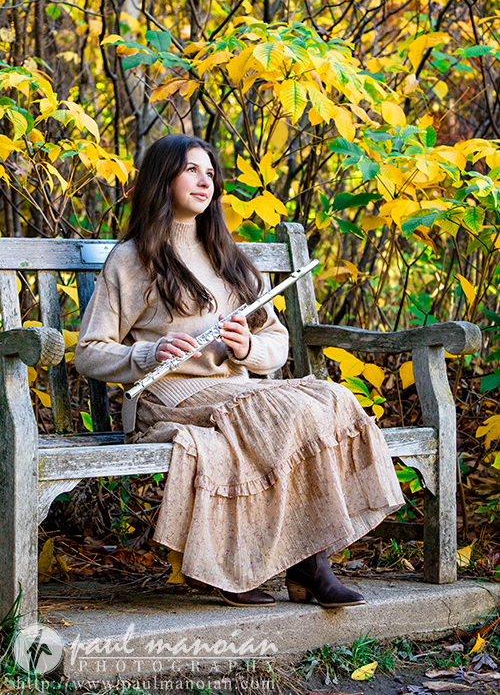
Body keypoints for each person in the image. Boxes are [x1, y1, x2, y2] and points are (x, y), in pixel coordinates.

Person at [75, 134, 405, 608]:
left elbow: (276, 344)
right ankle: (297, 568)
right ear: (161, 179)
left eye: (210, 173)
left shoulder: (230, 258)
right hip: (169, 399)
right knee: (281, 416)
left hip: (235, 392)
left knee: (332, 399)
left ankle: (309, 563)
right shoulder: (132, 260)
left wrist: (248, 347)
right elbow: (89, 352)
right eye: (191, 170)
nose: (204, 181)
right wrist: (149, 354)